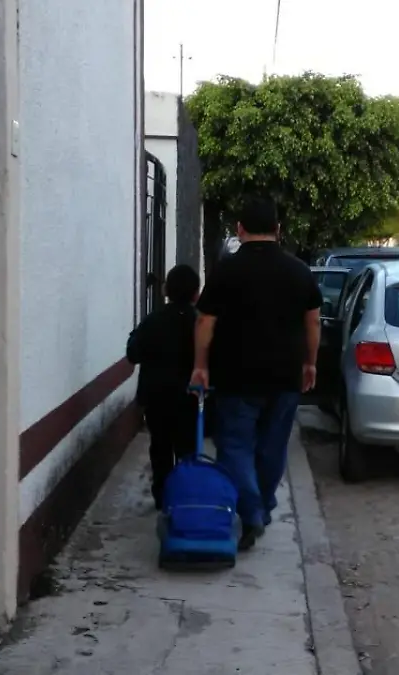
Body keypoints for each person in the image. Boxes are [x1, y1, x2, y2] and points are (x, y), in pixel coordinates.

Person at [190, 196, 322, 551]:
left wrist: (200, 365)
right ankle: (260, 505)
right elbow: (312, 322)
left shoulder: (226, 270)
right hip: (285, 374)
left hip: (235, 375)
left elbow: (205, 321)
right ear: (278, 229)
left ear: (240, 229)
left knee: (235, 446)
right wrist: (310, 363)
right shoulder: (299, 271)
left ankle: (251, 510)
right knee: (272, 446)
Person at [126, 264, 202, 510]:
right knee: (187, 447)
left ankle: (162, 495)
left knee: (160, 446)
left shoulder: (152, 321)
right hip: (189, 397)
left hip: (156, 397)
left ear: (166, 290)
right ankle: (186, 493)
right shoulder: (200, 323)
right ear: (196, 294)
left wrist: (134, 336)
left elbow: (133, 354)